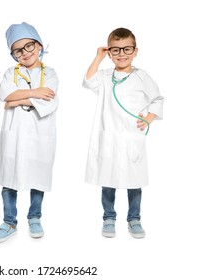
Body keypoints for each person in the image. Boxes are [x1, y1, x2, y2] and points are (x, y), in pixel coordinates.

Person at [82, 27, 164, 239]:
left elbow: (158, 99)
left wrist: (149, 118)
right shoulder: (105, 75)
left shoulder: (142, 76)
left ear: (135, 51)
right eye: (115, 50)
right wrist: (98, 57)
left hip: (131, 138)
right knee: (107, 180)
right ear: (109, 52)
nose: (121, 54)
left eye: (127, 49)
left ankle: (134, 218)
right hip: (109, 136)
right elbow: (88, 81)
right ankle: (109, 218)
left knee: (134, 182)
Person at [0, 22, 59, 243]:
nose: (25, 53)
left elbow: (49, 102)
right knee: (9, 179)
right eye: (18, 50)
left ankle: (35, 217)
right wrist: (34, 93)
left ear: (39, 45)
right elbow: (4, 95)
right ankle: (9, 221)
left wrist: (18, 99)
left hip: (41, 133)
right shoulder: (11, 72)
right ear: (13, 54)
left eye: (29, 46)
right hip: (14, 133)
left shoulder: (50, 73)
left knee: (37, 178)